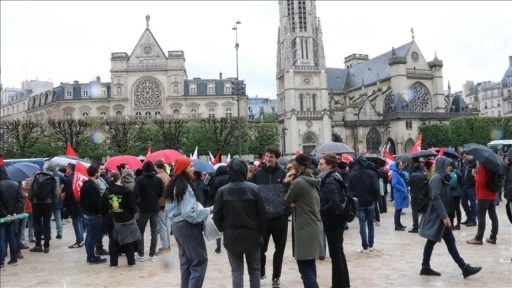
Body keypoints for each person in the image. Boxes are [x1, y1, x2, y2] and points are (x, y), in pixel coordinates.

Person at [418, 156, 482, 278]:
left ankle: (426, 267)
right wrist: (445, 216)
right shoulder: (437, 178)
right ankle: (464, 267)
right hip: (438, 217)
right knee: (446, 242)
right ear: (442, 165)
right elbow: (435, 197)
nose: (450, 167)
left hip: (440, 216)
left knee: (435, 242)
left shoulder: (441, 177)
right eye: (448, 165)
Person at [213, 157, 267, 288]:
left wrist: (224, 228)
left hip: (232, 235)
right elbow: (263, 215)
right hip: (252, 235)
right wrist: (262, 233)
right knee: (254, 269)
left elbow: (216, 217)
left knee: (237, 271)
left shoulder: (222, 191)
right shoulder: (254, 189)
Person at [165, 157, 211, 288]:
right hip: (188, 226)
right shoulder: (185, 186)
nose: (193, 169)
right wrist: (208, 210)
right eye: (190, 166)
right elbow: (189, 213)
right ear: (183, 169)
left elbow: (170, 210)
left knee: (186, 263)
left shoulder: (173, 185)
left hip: (177, 226)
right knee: (199, 261)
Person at [282, 155, 324, 288]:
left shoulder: (299, 182)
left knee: (305, 269)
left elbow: (285, 200)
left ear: (297, 166)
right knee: (310, 266)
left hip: (304, 228)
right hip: (313, 226)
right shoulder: (312, 180)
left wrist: (285, 183)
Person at [249, 146, 288, 287]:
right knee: (260, 248)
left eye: (271, 157)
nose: (268, 159)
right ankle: (262, 271)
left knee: (279, 249)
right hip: (263, 219)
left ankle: (276, 276)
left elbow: (289, 193)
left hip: (280, 218)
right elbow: (252, 195)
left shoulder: (284, 173)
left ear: (276, 158)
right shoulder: (257, 175)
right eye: (266, 156)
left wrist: (286, 211)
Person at [318, 154, 350, 288]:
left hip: (333, 221)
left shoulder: (330, 180)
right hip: (337, 220)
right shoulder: (334, 176)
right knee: (338, 252)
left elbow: (333, 204)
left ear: (330, 165)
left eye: (321, 164)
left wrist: (319, 212)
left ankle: (339, 284)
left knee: (335, 253)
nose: (319, 167)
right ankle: (342, 283)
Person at [101, 171, 139, 267]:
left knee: (112, 241)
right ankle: (131, 261)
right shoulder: (126, 191)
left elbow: (103, 208)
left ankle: (113, 263)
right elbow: (133, 206)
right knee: (128, 240)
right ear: (120, 179)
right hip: (125, 219)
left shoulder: (106, 192)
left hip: (111, 220)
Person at [133, 161, 164, 262]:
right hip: (155, 208)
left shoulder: (139, 180)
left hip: (143, 208)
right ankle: (152, 254)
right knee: (154, 232)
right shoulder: (158, 179)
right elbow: (162, 193)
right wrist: (155, 198)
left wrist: (140, 201)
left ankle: (141, 254)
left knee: (140, 231)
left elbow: (135, 194)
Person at [349, 156, 380, 253]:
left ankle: (365, 247)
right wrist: (375, 199)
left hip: (359, 203)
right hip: (370, 201)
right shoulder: (371, 174)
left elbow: (349, 190)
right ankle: (371, 245)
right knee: (370, 224)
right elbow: (376, 189)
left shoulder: (352, 175)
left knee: (362, 224)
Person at [29, 162, 60, 254]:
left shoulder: (36, 175)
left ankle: (38, 245)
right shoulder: (55, 178)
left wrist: (32, 199)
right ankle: (46, 245)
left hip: (36, 203)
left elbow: (31, 188)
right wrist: (54, 201)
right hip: (48, 203)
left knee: (37, 223)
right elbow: (57, 193)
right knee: (47, 223)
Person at [80, 165, 107, 264]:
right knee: (92, 237)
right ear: (95, 173)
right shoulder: (91, 185)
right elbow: (96, 202)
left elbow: (81, 200)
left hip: (88, 213)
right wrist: (100, 212)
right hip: (93, 215)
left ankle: (91, 256)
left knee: (89, 236)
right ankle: (91, 257)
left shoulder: (86, 184)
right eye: (98, 172)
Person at [466, 163, 499, 245]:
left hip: (483, 195)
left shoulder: (482, 166)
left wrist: (475, 175)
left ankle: (478, 238)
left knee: (481, 217)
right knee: (493, 216)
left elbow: (481, 182)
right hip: (492, 194)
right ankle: (493, 237)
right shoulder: (493, 165)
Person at [0, 163, 23, 268]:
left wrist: (5, 214)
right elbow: (19, 202)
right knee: (12, 237)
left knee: (1, 238)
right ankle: (14, 259)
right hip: (13, 216)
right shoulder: (15, 185)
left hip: (2, 216)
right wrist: (13, 213)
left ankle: (1, 262)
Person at [208, 165, 229, 254]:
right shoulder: (229, 179)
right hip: (228, 203)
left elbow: (211, 193)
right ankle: (227, 244)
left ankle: (218, 246)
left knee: (217, 225)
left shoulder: (214, 180)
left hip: (217, 203)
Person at [63, 163, 84, 249]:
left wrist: (65, 205)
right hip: (79, 203)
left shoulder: (69, 179)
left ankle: (79, 240)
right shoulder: (78, 178)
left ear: (70, 168)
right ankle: (81, 240)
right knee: (79, 222)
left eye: (67, 167)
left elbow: (67, 194)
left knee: (76, 222)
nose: (66, 169)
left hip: (73, 204)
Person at [154, 158, 171, 254]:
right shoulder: (167, 176)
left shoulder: (159, 177)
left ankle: (165, 246)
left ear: (156, 166)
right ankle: (167, 245)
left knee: (162, 226)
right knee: (165, 225)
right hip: (167, 202)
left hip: (160, 203)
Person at [407, 163, 428, 233]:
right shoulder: (425, 175)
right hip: (423, 195)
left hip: (414, 195)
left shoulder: (413, 175)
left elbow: (408, 183)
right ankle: (424, 226)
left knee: (415, 212)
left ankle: (415, 227)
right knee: (424, 211)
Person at [95, 164, 109, 256]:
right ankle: (99, 247)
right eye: (100, 169)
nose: (102, 171)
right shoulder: (96, 182)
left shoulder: (103, 179)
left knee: (103, 229)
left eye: (103, 169)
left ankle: (99, 246)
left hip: (105, 208)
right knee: (99, 230)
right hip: (100, 209)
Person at [390, 160, 408, 231]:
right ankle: (397, 226)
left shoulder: (400, 173)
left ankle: (399, 224)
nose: (402, 166)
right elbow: (394, 184)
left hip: (401, 193)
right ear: (397, 166)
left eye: (402, 165)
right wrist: (402, 189)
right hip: (398, 194)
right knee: (398, 210)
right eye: (400, 165)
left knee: (400, 209)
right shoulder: (395, 174)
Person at [460, 151, 477, 226]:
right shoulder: (466, 163)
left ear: (469, 155)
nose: (464, 159)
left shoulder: (475, 162)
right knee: (463, 202)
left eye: (465, 156)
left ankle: (473, 220)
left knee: (473, 204)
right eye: (463, 157)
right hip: (465, 186)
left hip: (472, 186)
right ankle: (469, 217)